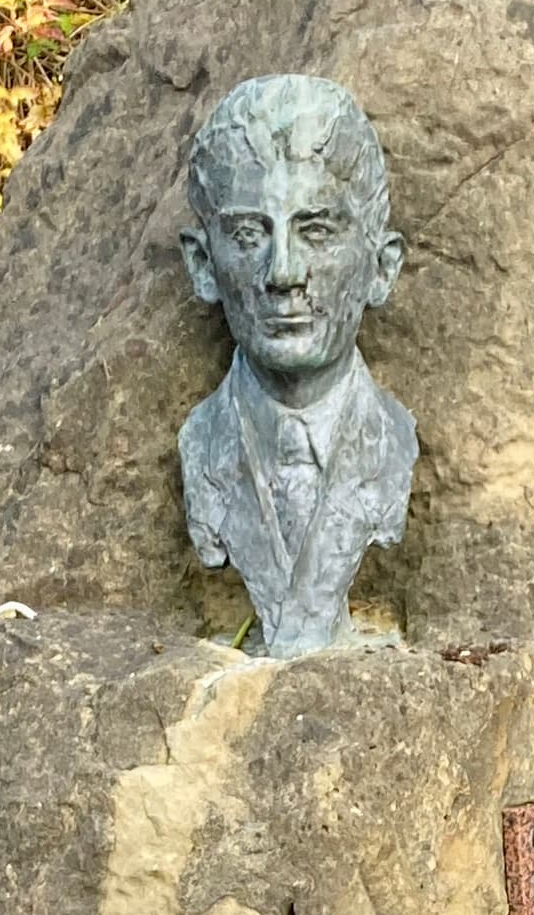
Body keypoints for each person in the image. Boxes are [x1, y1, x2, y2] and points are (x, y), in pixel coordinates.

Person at [177, 75, 417, 657]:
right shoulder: (202, 445)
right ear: (204, 265)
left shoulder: (392, 443)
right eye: (248, 233)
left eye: (315, 232)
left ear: (380, 267)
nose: (283, 273)